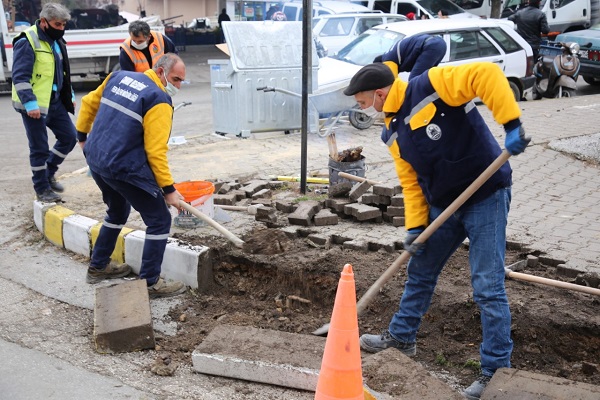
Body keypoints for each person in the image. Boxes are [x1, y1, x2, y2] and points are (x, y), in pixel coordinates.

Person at [343, 60, 530, 400]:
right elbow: (412, 183)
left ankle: (495, 371)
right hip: (444, 206)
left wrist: (511, 123)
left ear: (380, 94)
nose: (362, 110)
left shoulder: (431, 84)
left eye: (362, 103)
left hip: (485, 193)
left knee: (487, 285)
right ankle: (402, 337)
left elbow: (485, 74)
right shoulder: (392, 131)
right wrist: (415, 227)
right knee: (421, 270)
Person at [75, 53, 188, 298]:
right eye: (176, 79)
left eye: (181, 82)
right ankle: (149, 283)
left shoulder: (118, 77)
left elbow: (87, 103)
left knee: (117, 211)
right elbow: (156, 151)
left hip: (97, 159)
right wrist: (168, 190)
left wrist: (83, 138)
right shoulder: (158, 99)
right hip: (122, 167)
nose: (178, 86)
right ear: (160, 72)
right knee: (158, 220)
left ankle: (98, 266)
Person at [11, 3, 77, 203]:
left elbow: (62, 71)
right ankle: (42, 188)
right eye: (57, 24)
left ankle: (49, 172)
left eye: (64, 24)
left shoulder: (57, 41)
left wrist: (69, 94)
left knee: (69, 137)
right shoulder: (28, 41)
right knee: (39, 147)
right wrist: (30, 104)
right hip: (34, 105)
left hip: (54, 101)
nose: (61, 28)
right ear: (44, 22)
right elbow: (20, 76)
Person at [374, 34, 447, 81]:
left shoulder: (388, 62)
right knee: (426, 79)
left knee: (414, 81)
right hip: (439, 43)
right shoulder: (391, 54)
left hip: (431, 46)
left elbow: (393, 84)